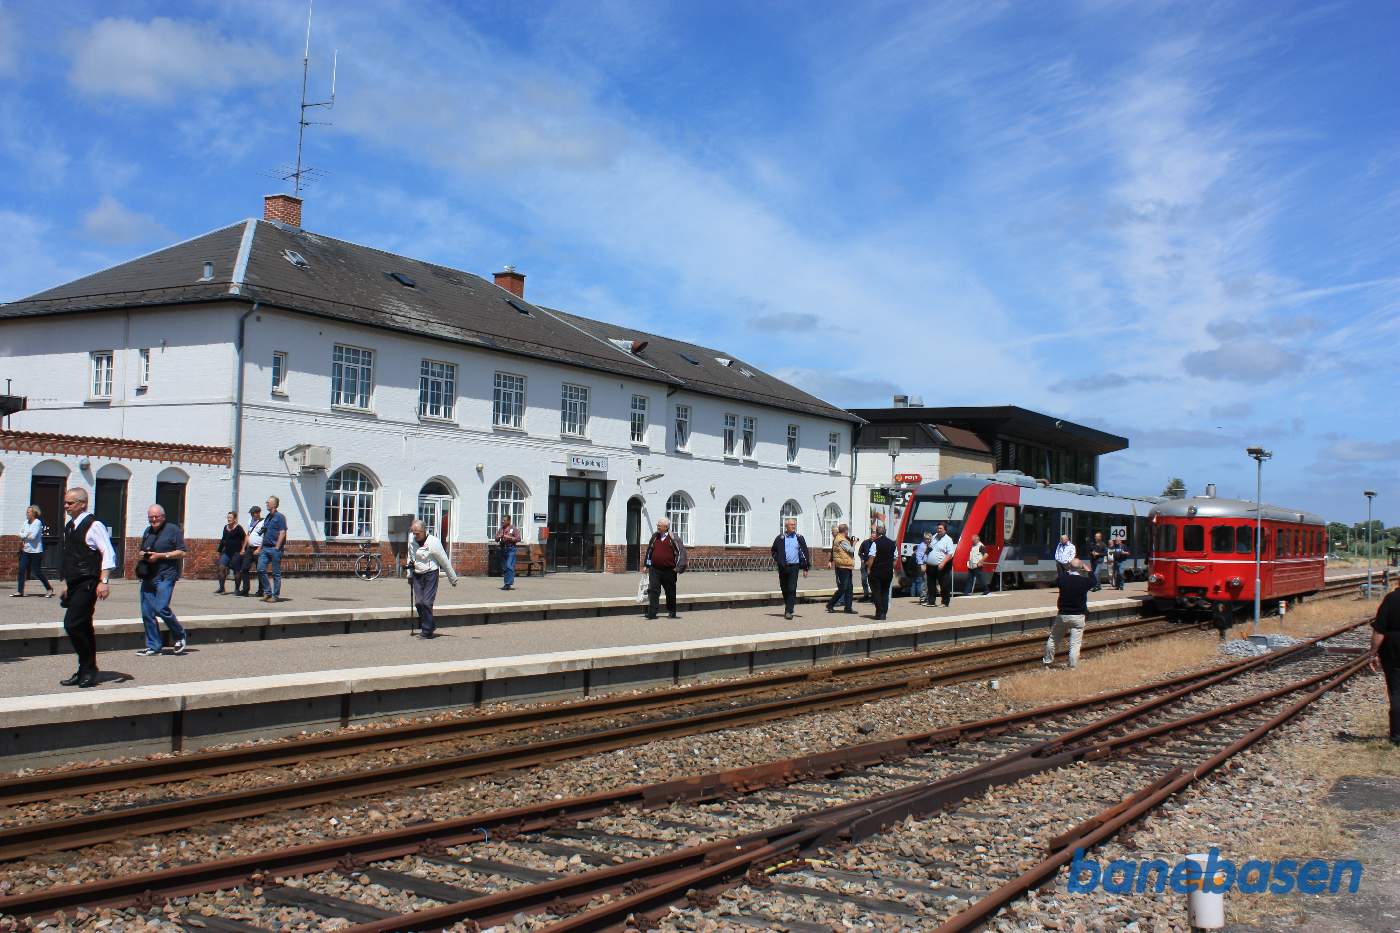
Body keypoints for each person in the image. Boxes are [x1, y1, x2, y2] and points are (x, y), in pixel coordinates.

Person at [57, 487, 116, 688]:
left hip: (89, 582)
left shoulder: (94, 525)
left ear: (82, 504)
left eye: (70, 503)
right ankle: (86, 669)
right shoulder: (70, 526)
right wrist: (67, 583)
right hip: (75, 583)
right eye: (65, 502)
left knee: (72, 624)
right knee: (82, 626)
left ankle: (89, 668)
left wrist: (104, 581)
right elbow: (71, 556)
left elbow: (108, 552)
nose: (66, 506)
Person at [135, 504, 188, 657]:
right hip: (149, 576)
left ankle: (179, 635)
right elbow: (142, 549)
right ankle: (154, 646)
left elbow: (182, 552)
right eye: (150, 517)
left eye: (156, 517)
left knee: (161, 608)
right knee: (147, 612)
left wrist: (161, 556)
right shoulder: (148, 531)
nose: (153, 520)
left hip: (166, 575)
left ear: (163, 517)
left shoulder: (173, 530)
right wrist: (144, 554)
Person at [407, 519, 458, 638]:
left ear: (424, 531)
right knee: (419, 603)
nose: (415, 536)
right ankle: (431, 624)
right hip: (417, 573)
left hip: (431, 574)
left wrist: (452, 578)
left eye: (417, 533)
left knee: (426, 603)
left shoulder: (433, 542)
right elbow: (410, 557)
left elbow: (444, 560)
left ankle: (427, 631)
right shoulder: (411, 539)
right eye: (414, 533)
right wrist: (409, 574)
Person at [1044, 558, 1096, 669]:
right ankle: (1072, 666)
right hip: (1078, 616)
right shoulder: (1084, 581)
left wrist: (1067, 569)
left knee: (1053, 639)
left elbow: (1058, 579)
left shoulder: (1062, 580)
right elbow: (1094, 581)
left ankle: (1047, 662)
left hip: (1063, 615)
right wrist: (1089, 571)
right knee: (1075, 644)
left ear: (1069, 567)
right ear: (1081, 568)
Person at [1369, 586, 1400, 747]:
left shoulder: (1391, 599)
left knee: (1396, 691)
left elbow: (1379, 631)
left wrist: (1373, 653)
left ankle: (1397, 734)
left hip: (1393, 649)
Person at [643, 517, 687, 620]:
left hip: (669, 570)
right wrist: (647, 565)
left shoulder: (674, 538)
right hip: (655, 569)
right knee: (653, 590)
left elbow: (681, 553)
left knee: (670, 591)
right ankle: (652, 613)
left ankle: (672, 612)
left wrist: (678, 568)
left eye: (659, 525)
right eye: (657, 525)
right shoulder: (655, 537)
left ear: (666, 527)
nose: (657, 527)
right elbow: (649, 551)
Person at [770, 517, 811, 620]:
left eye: (794, 524)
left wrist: (806, 568)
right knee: (784, 588)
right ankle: (788, 607)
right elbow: (773, 551)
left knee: (792, 588)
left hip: (794, 566)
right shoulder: (780, 538)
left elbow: (805, 553)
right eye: (792, 525)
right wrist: (779, 560)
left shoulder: (799, 538)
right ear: (786, 526)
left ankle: (789, 611)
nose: (794, 526)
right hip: (783, 566)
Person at [13, 504, 54, 598]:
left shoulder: (38, 523)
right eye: (26, 512)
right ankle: (20, 591)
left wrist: (25, 535)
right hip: (26, 550)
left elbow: (33, 537)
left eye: (28, 512)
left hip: (36, 551)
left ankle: (49, 588)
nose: (26, 514)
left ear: (34, 513)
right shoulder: (25, 522)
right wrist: (26, 534)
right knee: (21, 569)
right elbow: (20, 533)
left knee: (37, 572)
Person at [257, 496, 288, 603]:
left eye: (268, 502)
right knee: (260, 569)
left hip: (275, 548)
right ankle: (268, 592)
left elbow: (282, 532)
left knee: (276, 573)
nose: (266, 503)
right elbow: (265, 532)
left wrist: (277, 547)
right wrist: (261, 547)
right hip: (265, 548)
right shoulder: (268, 517)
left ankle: (275, 596)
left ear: (274, 504)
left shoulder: (280, 517)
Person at [865, 523, 897, 621]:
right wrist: (892, 568)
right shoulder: (892, 543)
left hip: (876, 572)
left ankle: (879, 612)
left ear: (877, 533)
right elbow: (895, 558)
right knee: (885, 592)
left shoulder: (875, 543)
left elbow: (871, 557)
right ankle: (884, 613)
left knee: (876, 592)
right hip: (888, 572)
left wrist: (868, 569)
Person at [826, 523, 856, 614]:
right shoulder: (842, 540)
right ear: (846, 531)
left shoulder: (838, 538)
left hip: (845, 565)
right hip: (843, 566)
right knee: (843, 587)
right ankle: (830, 604)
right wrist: (854, 544)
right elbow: (851, 550)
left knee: (849, 588)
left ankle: (848, 607)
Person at [925, 523, 956, 607]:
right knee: (930, 584)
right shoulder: (934, 536)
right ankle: (931, 602)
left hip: (941, 565)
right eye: (938, 528)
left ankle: (945, 602)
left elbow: (950, 554)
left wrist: (943, 563)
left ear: (945, 530)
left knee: (944, 584)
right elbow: (930, 547)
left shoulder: (948, 540)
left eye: (940, 528)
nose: (938, 530)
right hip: (930, 565)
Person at [215, 511, 246, 595]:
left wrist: (243, 550)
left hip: (236, 553)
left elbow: (245, 539)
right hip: (226, 553)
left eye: (230, 518)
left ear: (235, 519)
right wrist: (219, 551)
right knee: (221, 567)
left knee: (237, 571)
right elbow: (223, 540)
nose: (229, 519)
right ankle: (222, 588)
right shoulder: (225, 527)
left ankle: (237, 589)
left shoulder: (239, 528)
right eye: (228, 517)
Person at [238, 505, 265, 597]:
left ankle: (261, 590)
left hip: (258, 548)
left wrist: (259, 549)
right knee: (244, 568)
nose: (252, 515)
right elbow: (248, 535)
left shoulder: (263, 522)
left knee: (260, 569)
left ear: (258, 513)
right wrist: (243, 548)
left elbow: (265, 537)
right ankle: (245, 590)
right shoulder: (250, 521)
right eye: (252, 514)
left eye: (253, 513)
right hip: (250, 548)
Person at [496, 515, 521, 591]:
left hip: (511, 549)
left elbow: (518, 539)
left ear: (509, 521)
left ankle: (508, 583)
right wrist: (499, 537)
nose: (502, 521)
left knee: (509, 565)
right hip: (503, 549)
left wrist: (508, 537)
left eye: (504, 520)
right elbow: (496, 539)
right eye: (502, 520)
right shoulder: (501, 529)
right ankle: (506, 584)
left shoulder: (513, 529)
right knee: (504, 567)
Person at [911, 533, 930, 602]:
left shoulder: (929, 545)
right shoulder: (922, 546)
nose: (928, 540)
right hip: (924, 564)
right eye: (927, 539)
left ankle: (926, 596)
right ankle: (923, 597)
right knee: (924, 581)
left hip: (929, 564)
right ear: (924, 539)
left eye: (929, 539)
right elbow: (918, 556)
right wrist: (921, 565)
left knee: (927, 581)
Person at [858, 533, 875, 601]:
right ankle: (866, 594)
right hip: (864, 564)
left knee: (872, 580)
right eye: (872, 537)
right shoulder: (865, 542)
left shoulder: (876, 543)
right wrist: (862, 558)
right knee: (864, 579)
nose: (872, 538)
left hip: (873, 565)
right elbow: (860, 552)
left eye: (874, 537)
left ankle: (873, 595)